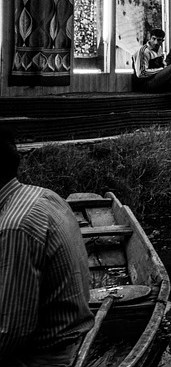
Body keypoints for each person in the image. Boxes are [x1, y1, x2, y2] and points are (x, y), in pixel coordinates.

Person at [0, 129, 93, 367]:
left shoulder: (14, 227)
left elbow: (10, 332)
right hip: (66, 339)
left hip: (41, 358)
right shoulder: (45, 195)